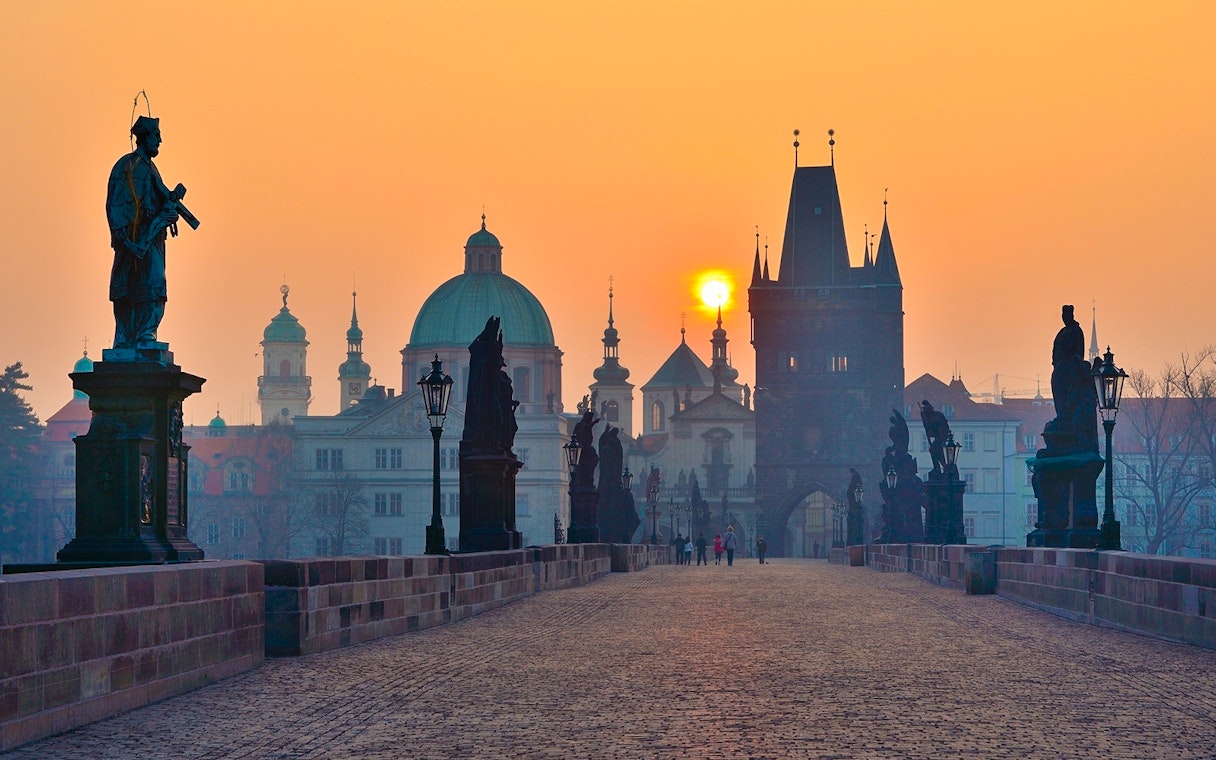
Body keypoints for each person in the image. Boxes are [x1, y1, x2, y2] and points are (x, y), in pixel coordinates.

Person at [106, 115, 188, 349]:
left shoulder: (152, 169)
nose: (160, 141)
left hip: (152, 239)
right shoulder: (127, 165)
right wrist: (125, 238)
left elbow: (157, 199)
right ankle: (124, 337)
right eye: (156, 136)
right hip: (132, 239)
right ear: (144, 138)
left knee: (154, 285)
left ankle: (145, 334)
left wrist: (170, 204)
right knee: (127, 287)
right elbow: (116, 203)